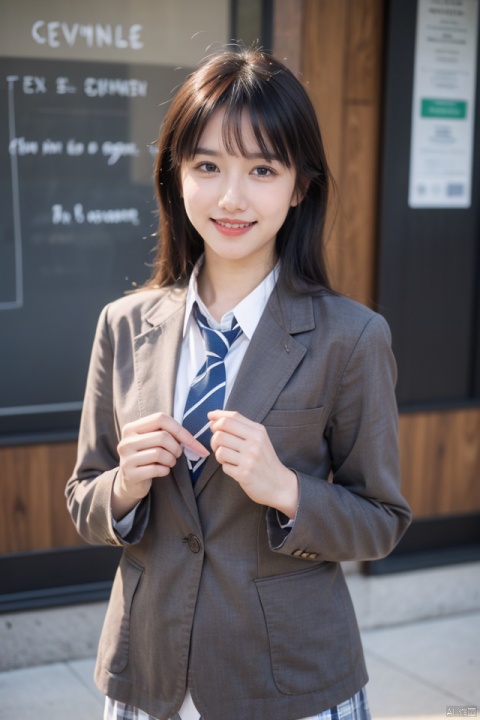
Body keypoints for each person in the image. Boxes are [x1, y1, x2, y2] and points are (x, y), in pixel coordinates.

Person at [66, 47, 411, 720]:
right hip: (151, 676)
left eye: (261, 168)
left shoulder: (352, 337)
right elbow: (85, 498)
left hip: (290, 684)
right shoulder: (123, 324)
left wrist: (286, 490)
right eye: (207, 165)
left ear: (300, 184)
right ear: (177, 175)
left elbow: (383, 522)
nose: (231, 196)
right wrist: (125, 487)